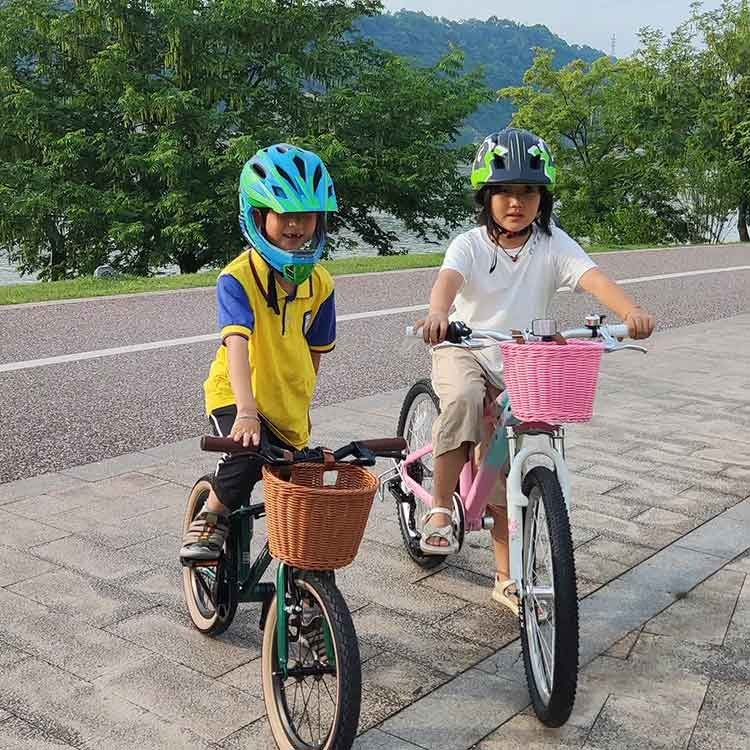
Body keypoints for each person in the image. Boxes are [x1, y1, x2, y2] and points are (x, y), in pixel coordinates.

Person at [416, 127, 655, 612]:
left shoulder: (551, 243)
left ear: (542, 199)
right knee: (462, 399)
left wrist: (631, 311)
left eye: (528, 192)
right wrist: (439, 313)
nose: (516, 202)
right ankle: (439, 508)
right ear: (486, 197)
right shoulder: (470, 244)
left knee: (508, 461)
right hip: (466, 347)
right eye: (504, 191)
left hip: (521, 359)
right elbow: (448, 282)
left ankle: (506, 577)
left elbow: (593, 278)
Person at [180, 143, 338, 561]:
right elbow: (236, 343)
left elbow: (315, 353)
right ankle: (212, 514)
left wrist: (301, 408)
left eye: (306, 215)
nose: (295, 225)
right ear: (257, 215)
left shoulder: (321, 283)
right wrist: (246, 412)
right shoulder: (237, 278)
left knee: (303, 490)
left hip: (284, 407)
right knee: (245, 456)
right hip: (236, 394)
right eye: (283, 214)